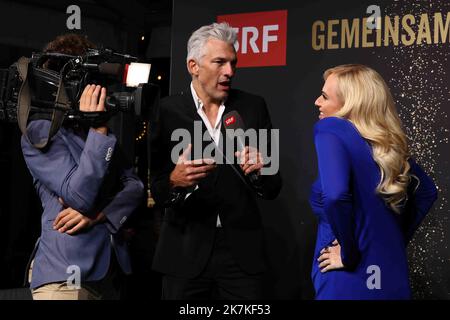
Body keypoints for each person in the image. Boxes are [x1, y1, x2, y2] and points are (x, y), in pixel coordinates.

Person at [150, 22, 282, 299]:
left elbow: (273, 187)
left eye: (233, 63)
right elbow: (156, 188)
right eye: (220, 62)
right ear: (193, 66)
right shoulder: (166, 111)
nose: (229, 72)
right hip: (184, 253)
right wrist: (175, 179)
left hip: (242, 255)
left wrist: (264, 167)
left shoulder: (253, 107)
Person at [22, 34, 144, 300]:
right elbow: (79, 195)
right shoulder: (41, 132)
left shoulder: (94, 132)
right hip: (65, 277)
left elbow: (135, 186)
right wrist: (99, 127)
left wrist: (99, 215)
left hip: (109, 276)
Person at [310, 64, 438, 299]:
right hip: (388, 274)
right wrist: (391, 242)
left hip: (348, 278)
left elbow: (336, 196)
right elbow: (427, 192)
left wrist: (349, 254)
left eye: (325, 96)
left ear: (350, 105)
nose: (317, 101)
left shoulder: (331, 128)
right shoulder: (388, 148)